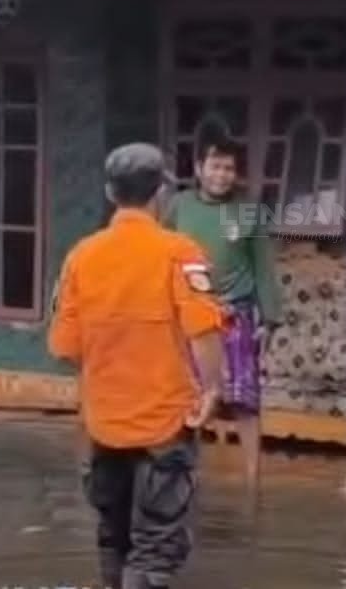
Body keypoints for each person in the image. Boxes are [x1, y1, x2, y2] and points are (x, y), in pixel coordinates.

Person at [49, 142, 227, 589]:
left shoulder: (81, 257)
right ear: (161, 193)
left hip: (103, 424)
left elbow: (65, 347)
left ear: (111, 193)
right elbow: (203, 330)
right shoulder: (181, 252)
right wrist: (211, 390)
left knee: (113, 537)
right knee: (156, 545)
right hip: (165, 424)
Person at [164, 129, 282, 486]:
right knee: (192, 397)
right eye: (215, 167)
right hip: (190, 317)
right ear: (199, 168)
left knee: (245, 401)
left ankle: (252, 480)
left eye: (229, 168)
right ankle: (186, 477)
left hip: (235, 316)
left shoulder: (249, 210)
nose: (221, 175)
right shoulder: (178, 207)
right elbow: (161, 257)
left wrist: (270, 320)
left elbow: (263, 267)